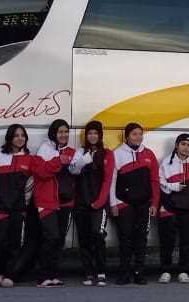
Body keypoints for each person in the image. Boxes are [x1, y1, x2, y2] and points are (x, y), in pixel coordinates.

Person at [110, 122, 159, 286]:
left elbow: (154, 180)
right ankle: (124, 273)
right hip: (124, 203)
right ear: (127, 136)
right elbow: (112, 181)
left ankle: (139, 272)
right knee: (125, 239)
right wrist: (113, 203)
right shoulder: (117, 153)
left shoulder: (149, 154)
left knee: (141, 239)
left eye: (140, 133)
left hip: (144, 203)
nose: (138, 137)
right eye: (134, 134)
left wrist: (154, 203)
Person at [32, 119, 77, 288]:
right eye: (60, 132)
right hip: (46, 200)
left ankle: (53, 275)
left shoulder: (73, 151)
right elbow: (40, 172)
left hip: (65, 201)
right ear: (53, 133)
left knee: (59, 240)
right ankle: (42, 276)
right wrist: (59, 161)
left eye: (66, 132)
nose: (64, 135)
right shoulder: (45, 149)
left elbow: (77, 173)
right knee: (50, 237)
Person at [69, 120, 113, 286]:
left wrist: (100, 202)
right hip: (81, 203)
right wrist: (84, 159)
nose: (92, 136)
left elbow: (108, 180)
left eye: (95, 133)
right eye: (89, 133)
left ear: (100, 135)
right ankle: (88, 272)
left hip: (98, 204)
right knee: (84, 238)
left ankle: (101, 271)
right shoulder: (80, 152)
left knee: (97, 234)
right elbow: (73, 170)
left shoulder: (107, 153)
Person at [0, 124, 34, 288]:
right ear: (10, 137)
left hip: (18, 208)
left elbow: (30, 185)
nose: (20, 138)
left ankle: (10, 275)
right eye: (16, 135)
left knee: (15, 243)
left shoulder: (29, 158)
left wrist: (24, 205)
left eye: (22, 135)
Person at [158, 133, 189, 283]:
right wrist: (173, 187)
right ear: (176, 145)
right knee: (167, 240)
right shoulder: (166, 163)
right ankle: (166, 270)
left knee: (187, 241)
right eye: (183, 144)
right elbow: (160, 182)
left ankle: (183, 270)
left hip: (188, 208)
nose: (186, 147)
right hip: (170, 206)